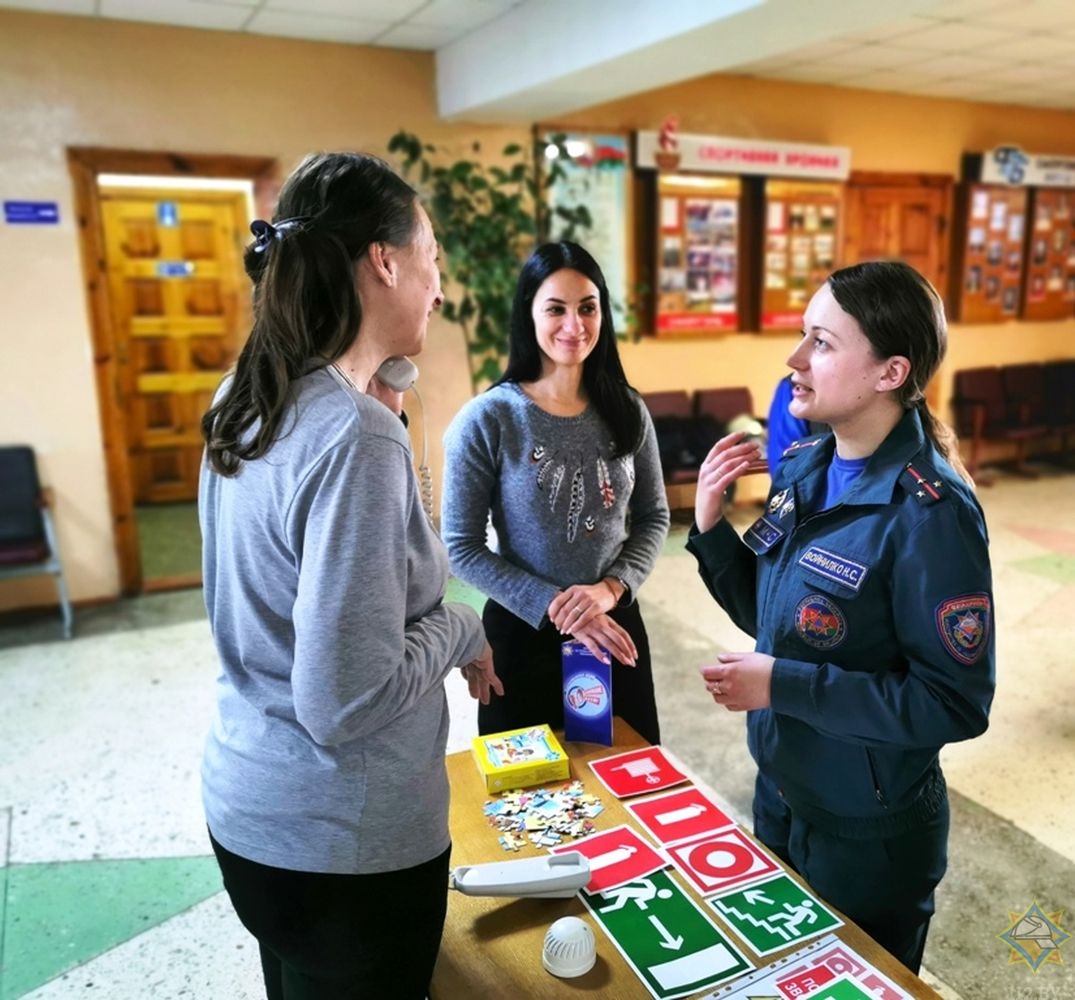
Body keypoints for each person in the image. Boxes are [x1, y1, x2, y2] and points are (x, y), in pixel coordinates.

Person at [198, 151, 502, 1000]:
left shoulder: (245, 397)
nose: (438, 287)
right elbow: (344, 702)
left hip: (251, 809)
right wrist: (462, 626)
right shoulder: (354, 438)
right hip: (344, 844)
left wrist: (383, 406)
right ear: (385, 261)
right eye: (432, 259)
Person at [687, 260, 994, 974]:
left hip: (869, 835)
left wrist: (782, 687)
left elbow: (952, 701)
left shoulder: (931, 516)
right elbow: (777, 625)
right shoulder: (803, 464)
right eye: (803, 336)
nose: (793, 360)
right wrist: (709, 532)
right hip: (782, 793)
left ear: (889, 373)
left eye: (820, 343)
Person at [442, 241, 670, 745]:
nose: (575, 326)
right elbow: (461, 545)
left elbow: (654, 515)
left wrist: (609, 591)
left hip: (613, 628)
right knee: (528, 803)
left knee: (627, 779)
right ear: (529, 314)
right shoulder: (489, 419)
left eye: (588, 308)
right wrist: (558, 607)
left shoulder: (628, 409)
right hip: (522, 634)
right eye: (556, 309)